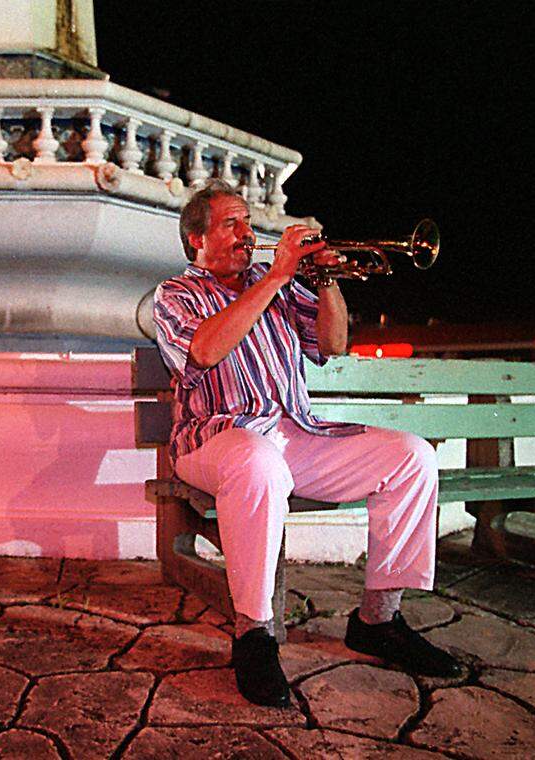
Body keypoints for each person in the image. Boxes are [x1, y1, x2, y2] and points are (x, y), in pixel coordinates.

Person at [153, 179, 461, 708]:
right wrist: (276, 276)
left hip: (295, 431)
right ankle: (254, 633)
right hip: (215, 438)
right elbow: (202, 351)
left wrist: (323, 280)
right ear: (195, 240)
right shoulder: (175, 294)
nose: (248, 233)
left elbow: (334, 344)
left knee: (413, 456)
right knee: (257, 461)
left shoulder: (273, 284)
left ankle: (377, 620)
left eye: (248, 221)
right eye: (232, 223)